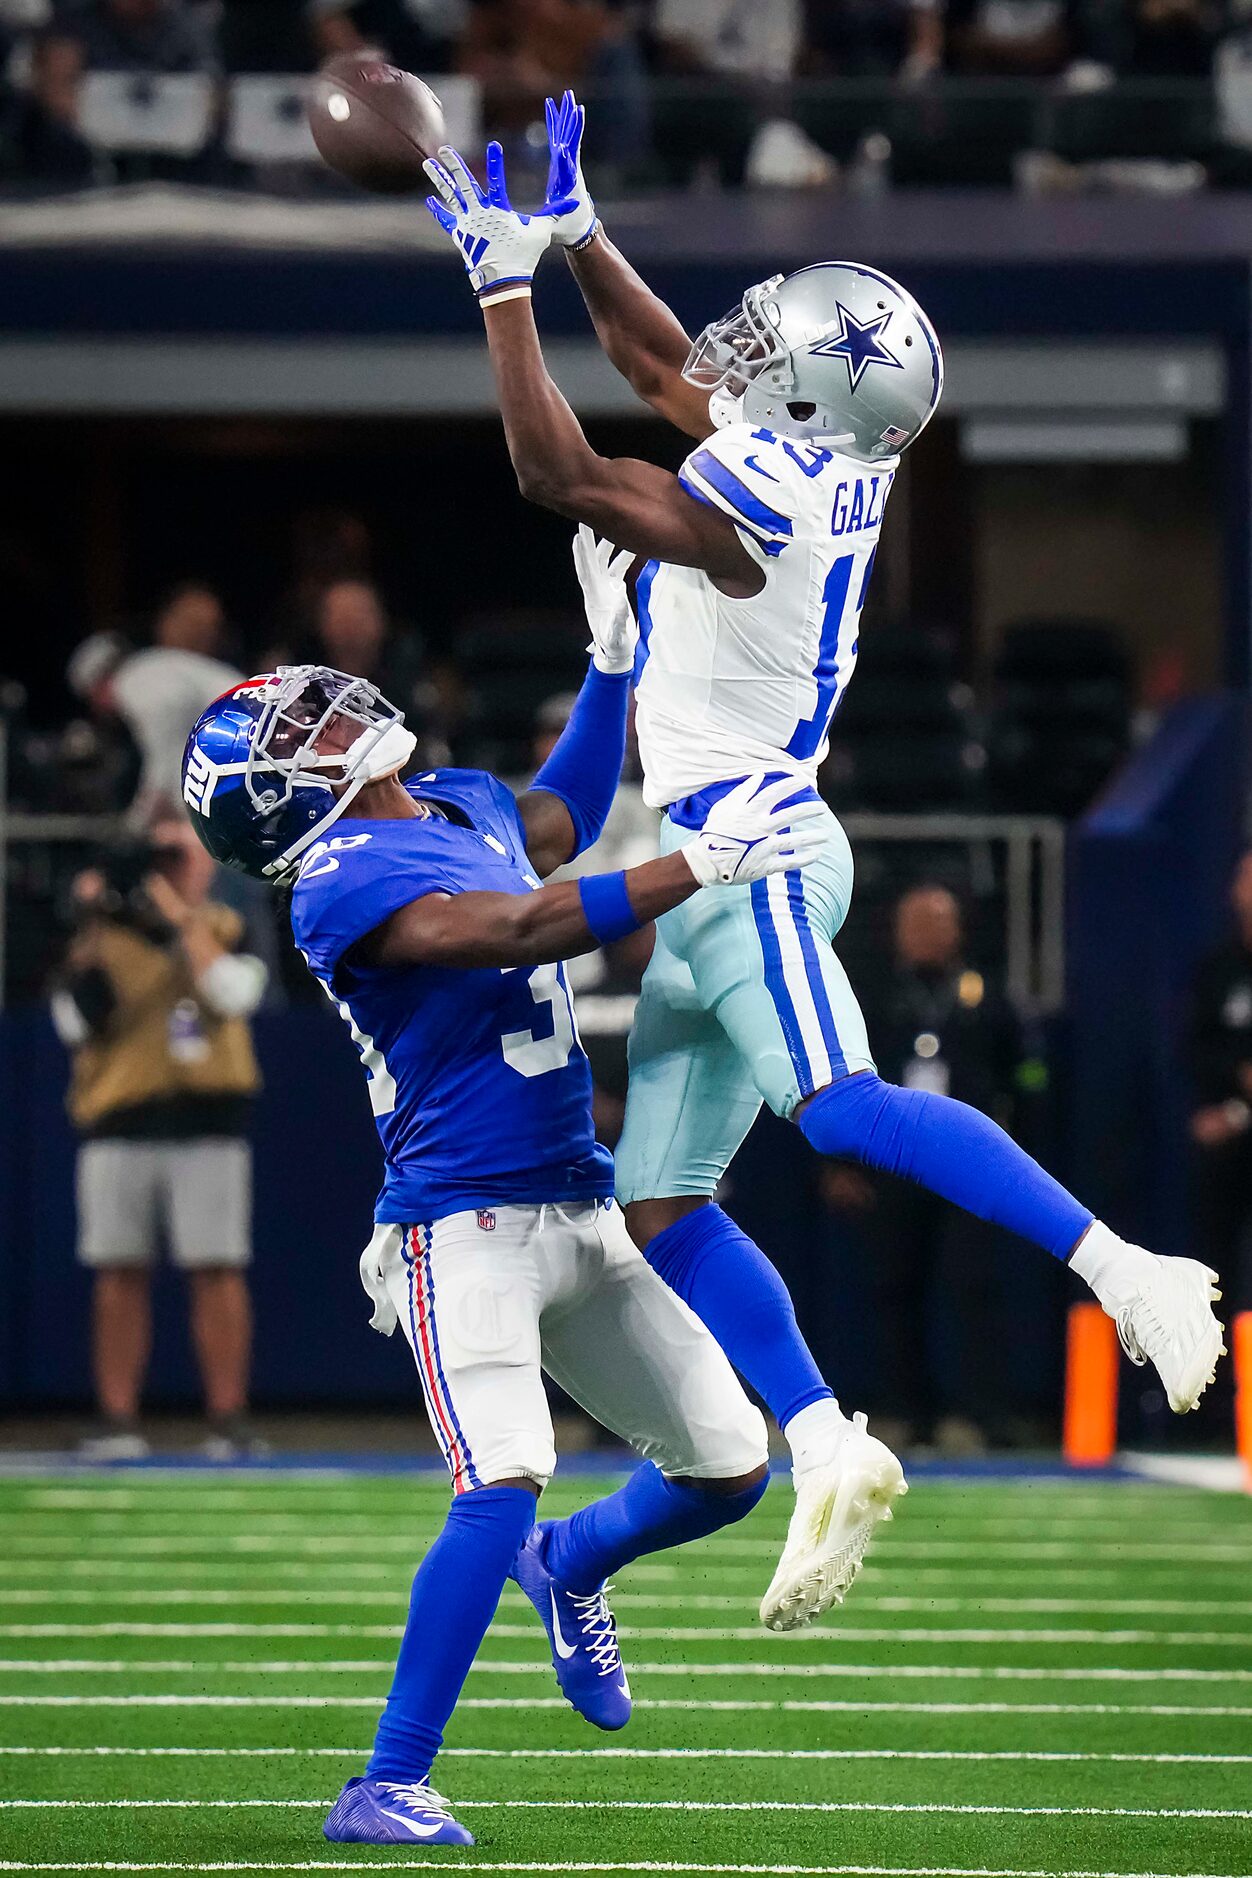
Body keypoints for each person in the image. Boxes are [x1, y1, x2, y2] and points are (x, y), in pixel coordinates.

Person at [421, 96, 1226, 1632]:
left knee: (842, 1107)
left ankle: (1127, 1267)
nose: (733, 353)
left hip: (757, 853)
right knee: (662, 1203)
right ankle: (814, 1442)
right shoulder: (817, 454)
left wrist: (503, 284)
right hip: (717, 859)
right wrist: (582, 232)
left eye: (768, 351)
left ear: (806, 406)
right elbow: (665, 368)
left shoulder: (769, 499)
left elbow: (561, 476)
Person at [180, 529, 822, 1847]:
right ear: (283, 800)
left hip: (580, 1200)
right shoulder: (335, 883)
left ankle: (574, 1565)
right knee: (502, 1473)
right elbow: (523, 923)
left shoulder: (452, 803)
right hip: (458, 1222)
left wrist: (609, 665)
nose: (327, 711)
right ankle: (388, 1779)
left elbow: (560, 819)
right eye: (297, 724)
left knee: (728, 1464)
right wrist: (702, 858)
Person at [51, 813, 268, 1461]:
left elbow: (232, 994)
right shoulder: (104, 937)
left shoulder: (229, 928)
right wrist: (94, 919)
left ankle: (228, 1419)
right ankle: (117, 1419)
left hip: (209, 1123)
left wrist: (180, 919)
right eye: (160, 856)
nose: (169, 867)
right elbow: (73, 1021)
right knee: (118, 1271)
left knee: (218, 1269)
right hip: (120, 1122)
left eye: (181, 854)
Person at [823, 883, 1030, 1451]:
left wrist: (1015, 1140)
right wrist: (837, 1165)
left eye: (937, 922)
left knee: (975, 1289)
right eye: (914, 923)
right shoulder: (868, 995)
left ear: (958, 929)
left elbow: (1028, 1074)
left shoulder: (984, 995)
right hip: (892, 1164)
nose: (925, 934)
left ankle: (986, 1412)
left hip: (969, 1167)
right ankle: (910, 1414)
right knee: (894, 1289)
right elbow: (828, 1082)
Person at [110, 583, 242, 820]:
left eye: (205, 625)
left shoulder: (138, 675)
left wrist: (136, 826)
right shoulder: (171, 668)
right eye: (192, 623)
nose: (201, 632)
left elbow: (164, 760)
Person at [1187, 848, 1252, 1318]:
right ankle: (1215, 1385)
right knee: (1215, 1271)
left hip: (1237, 1118)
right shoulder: (1218, 970)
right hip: (1226, 1144)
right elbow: (1194, 1048)